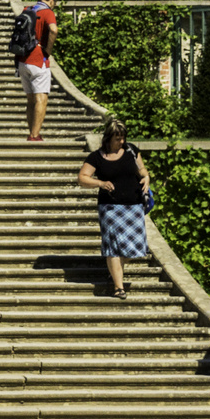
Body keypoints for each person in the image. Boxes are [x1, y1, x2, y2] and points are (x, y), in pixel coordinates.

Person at [77, 119, 151, 299]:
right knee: (113, 247)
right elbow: (82, 178)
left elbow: (142, 170)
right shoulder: (96, 157)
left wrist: (146, 178)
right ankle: (119, 287)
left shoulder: (131, 150)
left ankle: (114, 270)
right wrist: (100, 183)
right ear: (109, 138)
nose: (121, 142)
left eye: (123, 137)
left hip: (133, 206)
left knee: (136, 248)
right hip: (109, 207)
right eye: (118, 138)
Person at [17, 0, 60, 141]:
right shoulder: (47, 12)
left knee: (30, 100)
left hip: (22, 60)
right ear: (52, 0)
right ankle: (35, 135)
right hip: (38, 60)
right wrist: (47, 50)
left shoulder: (27, 10)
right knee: (41, 99)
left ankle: (31, 131)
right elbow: (53, 30)